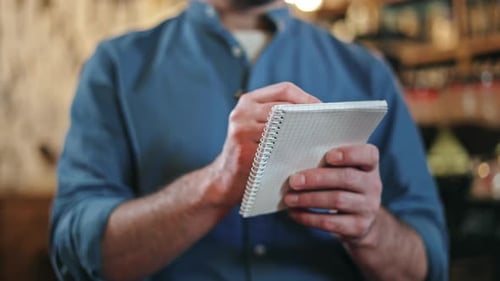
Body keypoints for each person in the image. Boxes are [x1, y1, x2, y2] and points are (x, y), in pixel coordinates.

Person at [49, 0, 448, 280]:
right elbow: (76, 257)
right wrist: (213, 187)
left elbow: (428, 266)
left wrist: (371, 230)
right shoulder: (116, 67)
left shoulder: (367, 73)